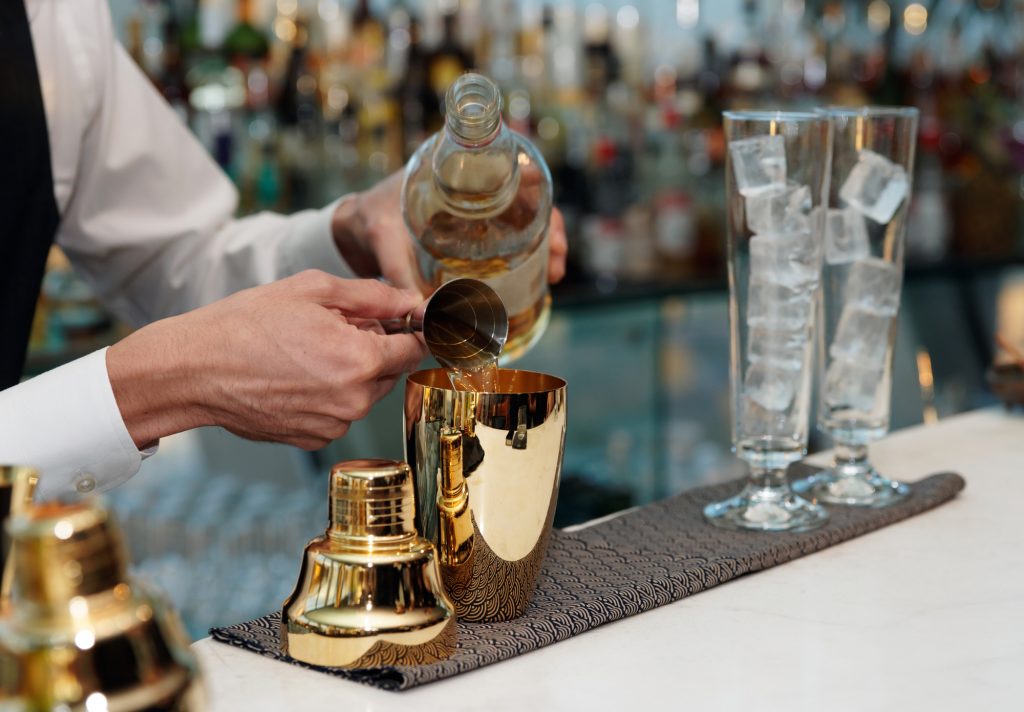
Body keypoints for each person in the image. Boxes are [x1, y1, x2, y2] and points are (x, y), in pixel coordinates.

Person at [0, 0, 568, 500]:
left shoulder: (54, 16)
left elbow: (180, 258)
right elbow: (182, 348)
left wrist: (349, 228)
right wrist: (156, 385)